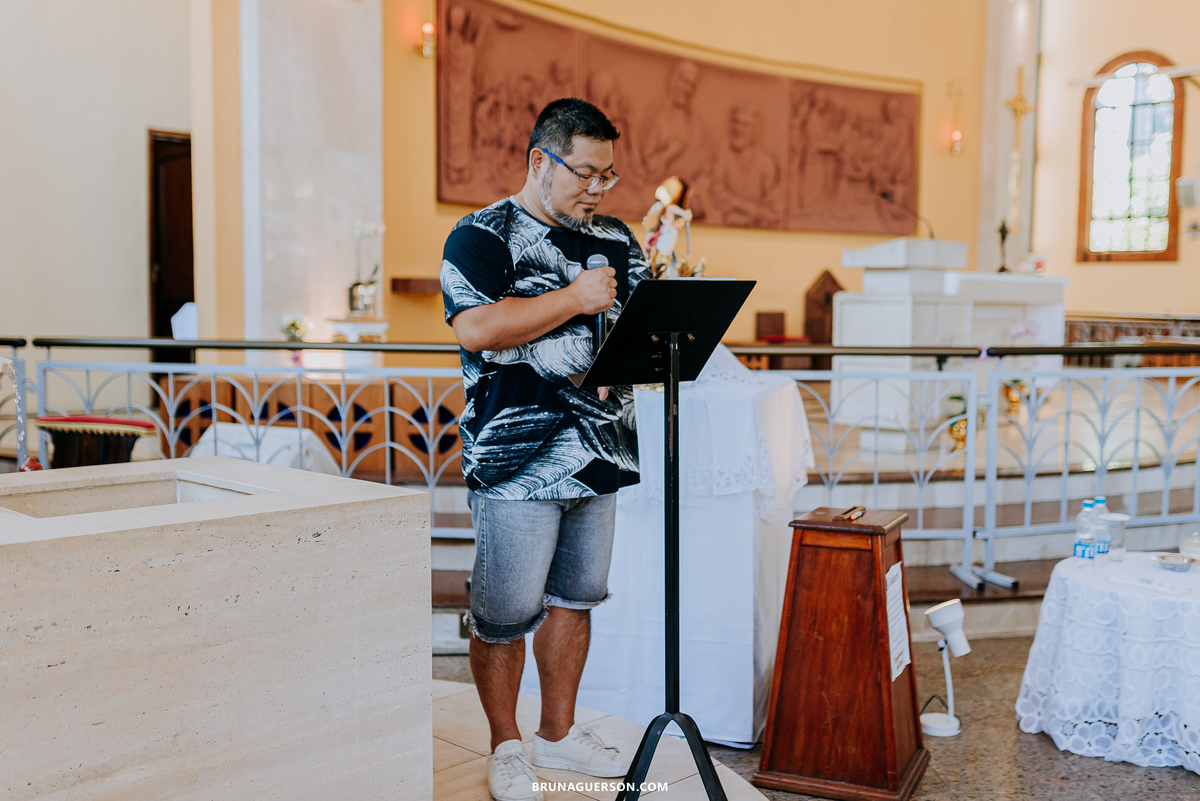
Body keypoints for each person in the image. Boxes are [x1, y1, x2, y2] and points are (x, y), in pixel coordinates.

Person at [440, 98, 650, 801]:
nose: (596, 190)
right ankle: (507, 743)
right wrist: (575, 297)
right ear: (540, 160)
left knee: (575, 601)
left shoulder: (619, 238)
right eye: (585, 173)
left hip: (601, 449)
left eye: (608, 176)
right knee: (504, 612)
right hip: (516, 461)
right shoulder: (480, 235)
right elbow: (477, 329)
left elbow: (636, 329)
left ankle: (558, 732)